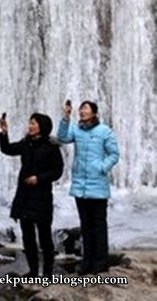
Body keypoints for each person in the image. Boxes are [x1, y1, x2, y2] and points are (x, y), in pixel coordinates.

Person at [57, 100, 120, 274]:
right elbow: (62, 137)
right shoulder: (76, 130)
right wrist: (66, 117)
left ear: (94, 112)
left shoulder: (104, 131)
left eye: (85, 108)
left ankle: (100, 263)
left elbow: (114, 154)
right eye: (81, 109)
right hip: (80, 187)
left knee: (99, 226)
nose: (82, 111)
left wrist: (101, 167)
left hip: (98, 187)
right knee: (85, 226)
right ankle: (87, 262)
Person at [0, 112, 63, 278]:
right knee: (27, 237)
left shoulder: (52, 146)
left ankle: (47, 274)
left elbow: (57, 171)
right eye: (30, 123)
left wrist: (39, 178)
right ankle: (33, 271)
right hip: (24, 195)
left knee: (45, 238)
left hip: (41, 196)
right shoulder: (26, 143)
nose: (30, 126)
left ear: (42, 126)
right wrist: (4, 133)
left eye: (33, 123)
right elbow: (7, 149)